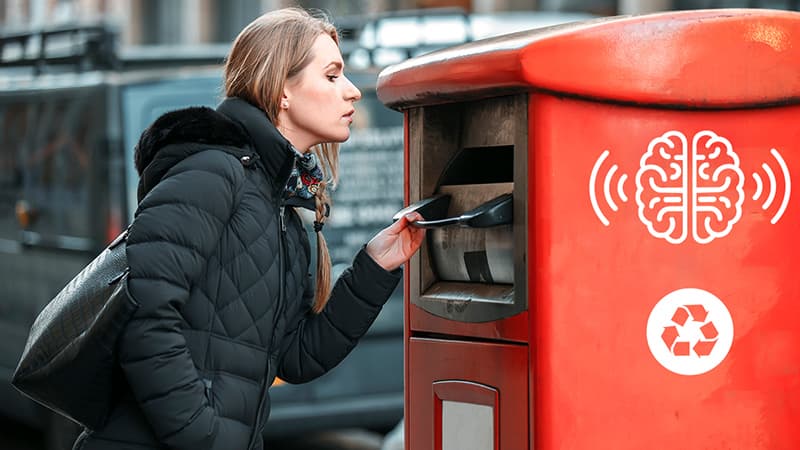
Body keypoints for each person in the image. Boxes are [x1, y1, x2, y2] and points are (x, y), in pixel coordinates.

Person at [72, 7, 425, 450]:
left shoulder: (280, 202)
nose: (354, 92)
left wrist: (375, 267)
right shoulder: (212, 173)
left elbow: (295, 357)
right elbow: (144, 316)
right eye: (333, 76)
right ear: (282, 92)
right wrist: (206, 436)